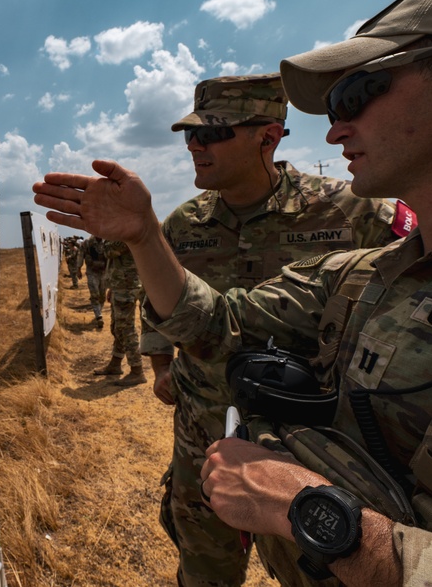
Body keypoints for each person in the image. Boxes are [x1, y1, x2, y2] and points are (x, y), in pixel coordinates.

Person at [33, 0, 432, 585]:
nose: (336, 129)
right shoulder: (365, 275)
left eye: (357, 94)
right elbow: (217, 322)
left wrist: (312, 513)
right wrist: (147, 237)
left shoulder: (362, 227)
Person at [144, 73, 407, 587]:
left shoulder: (356, 213)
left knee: (323, 567)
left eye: (213, 133)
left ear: (269, 136)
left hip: (316, 446)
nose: (195, 145)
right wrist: (160, 366)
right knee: (204, 568)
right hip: (205, 434)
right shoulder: (182, 225)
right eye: (189, 134)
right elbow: (157, 305)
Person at [96, 240, 147, 385]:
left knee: (125, 329)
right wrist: (111, 287)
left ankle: (137, 371)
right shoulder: (118, 232)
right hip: (120, 286)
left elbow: (108, 251)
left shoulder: (124, 232)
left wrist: (107, 236)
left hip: (127, 287)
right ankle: (115, 363)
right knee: (116, 327)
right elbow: (115, 261)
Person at [78, 235, 107, 328]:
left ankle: (99, 310)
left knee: (102, 295)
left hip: (103, 272)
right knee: (94, 294)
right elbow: (80, 255)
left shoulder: (107, 242)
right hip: (92, 272)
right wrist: (78, 269)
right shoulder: (87, 243)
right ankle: (98, 316)